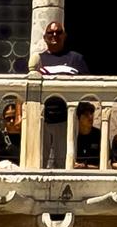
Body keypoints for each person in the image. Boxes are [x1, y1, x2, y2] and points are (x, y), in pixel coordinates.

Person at [34, 17, 87, 168]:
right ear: (45, 37)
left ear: (64, 36)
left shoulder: (75, 59)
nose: (54, 36)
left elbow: (89, 88)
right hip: (42, 119)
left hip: (67, 120)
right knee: (39, 164)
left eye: (58, 32)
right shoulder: (38, 60)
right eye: (50, 33)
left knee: (64, 165)